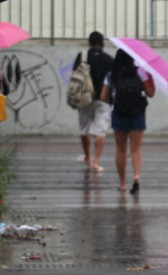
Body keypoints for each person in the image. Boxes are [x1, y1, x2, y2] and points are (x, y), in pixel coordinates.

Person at [100, 49, 155, 194]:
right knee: (136, 149)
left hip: (118, 113)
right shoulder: (141, 71)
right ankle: (136, 175)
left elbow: (103, 96)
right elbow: (151, 93)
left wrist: (113, 101)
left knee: (121, 149)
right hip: (138, 112)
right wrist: (150, 77)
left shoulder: (111, 74)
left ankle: (123, 183)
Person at [73, 31, 114, 172]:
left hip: (84, 97)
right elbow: (112, 80)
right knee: (101, 131)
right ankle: (96, 162)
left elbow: (75, 75)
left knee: (84, 129)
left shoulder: (82, 56)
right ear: (102, 43)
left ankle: (87, 157)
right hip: (103, 98)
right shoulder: (109, 59)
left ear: (89, 43)